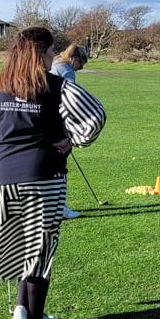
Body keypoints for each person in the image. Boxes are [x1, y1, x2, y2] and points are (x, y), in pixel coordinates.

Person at [0, 27, 106, 319]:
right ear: (37, 55)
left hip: (5, 176)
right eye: (48, 53)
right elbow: (95, 114)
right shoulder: (55, 85)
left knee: (20, 239)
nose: (51, 58)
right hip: (43, 174)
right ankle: (36, 318)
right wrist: (74, 139)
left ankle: (23, 306)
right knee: (41, 244)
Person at [50, 44, 89, 219]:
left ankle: (51, 206)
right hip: (57, 125)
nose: (80, 67)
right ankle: (60, 208)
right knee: (59, 167)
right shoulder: (67, 71)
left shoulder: (54, 64)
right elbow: (70, 102)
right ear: (74, 58)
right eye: (81, 63)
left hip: (44, 122)